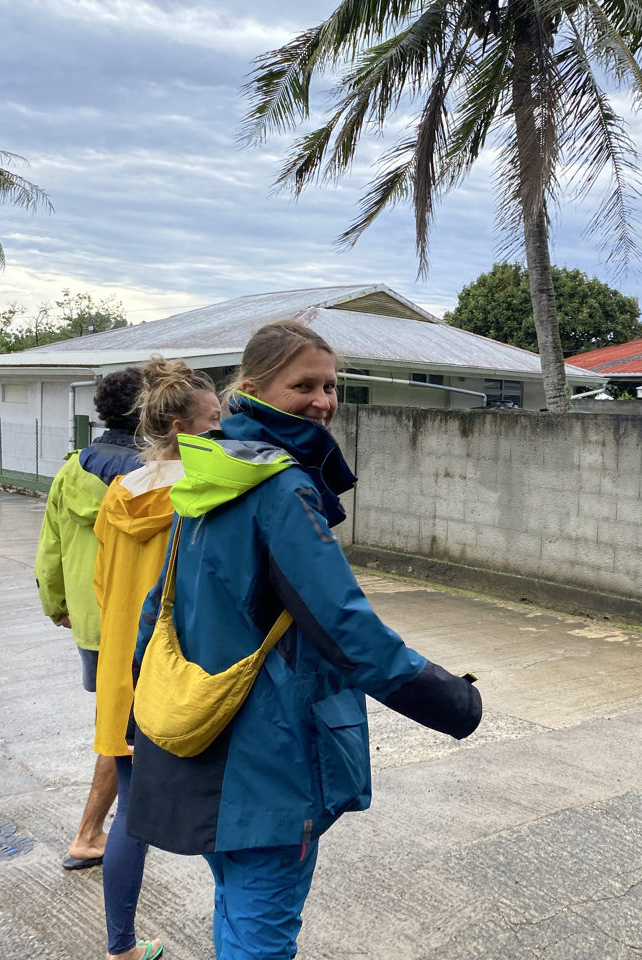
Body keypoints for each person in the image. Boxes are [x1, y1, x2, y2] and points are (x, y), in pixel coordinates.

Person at [127, 320, 482, 960]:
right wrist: (452, 701)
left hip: (202, 738)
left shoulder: (212, 471)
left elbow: (158, 612)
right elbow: (345, 626)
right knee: (261, 931)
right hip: (267, 758)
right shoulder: (281, 485)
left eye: (331, 386)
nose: (322, 401)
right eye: (304, 386)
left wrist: (145, 706)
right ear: (253, 387)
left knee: (237, 904)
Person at [93, 358, 221, 960]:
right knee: (225, 808)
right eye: (214, 419)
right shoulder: (206, 494)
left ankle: (120, 946)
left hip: (123, 673)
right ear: (180, 426)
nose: (223, 429)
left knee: (130, 815)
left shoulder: (119, 493)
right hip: (182, 676)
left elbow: (102, 587)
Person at [35, 368, 145, 870]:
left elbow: (50, 546)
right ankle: (89, 834)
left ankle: (105, 829)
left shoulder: (71, 470)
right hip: (136, 621)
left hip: (89, 621)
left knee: (117, 723)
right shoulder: (153, 476)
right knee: (123, 731)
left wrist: (58, 604)